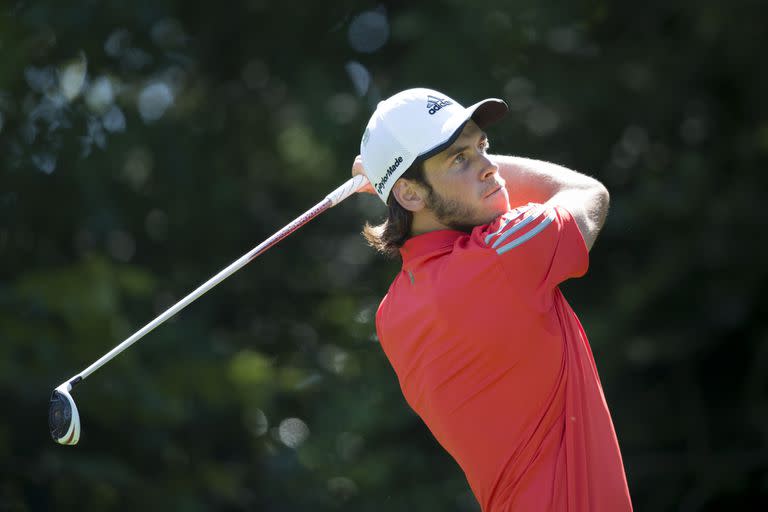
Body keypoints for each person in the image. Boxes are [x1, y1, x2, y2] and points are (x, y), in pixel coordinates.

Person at [351, 88, 632, 511]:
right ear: (410, 194)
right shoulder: (502, 255)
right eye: (459, 159)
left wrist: (396, 187)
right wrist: (387, 185)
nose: (490, 167)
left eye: (483, 146)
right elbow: (586, 192)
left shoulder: (392, 314)